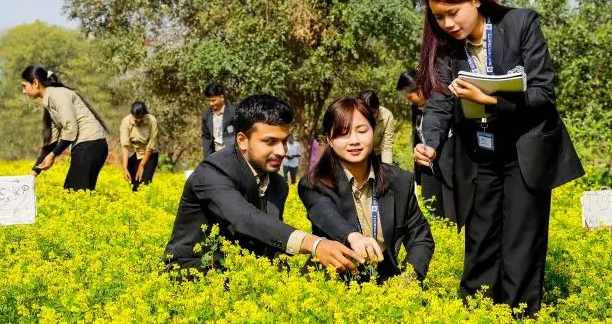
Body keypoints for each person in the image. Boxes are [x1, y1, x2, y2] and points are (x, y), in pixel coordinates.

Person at [414, 0, 584, 315]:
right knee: (480, 242)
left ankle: (520, 323)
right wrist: (429, 141)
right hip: (479, 155)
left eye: (452, 12)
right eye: (438, 17)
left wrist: (490, 100)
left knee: (521, 245)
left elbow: (542, 95)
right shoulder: (448, 49)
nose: (447, 24)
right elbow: (440, 103)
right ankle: (478, 320)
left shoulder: (520, 24)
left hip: (523, 151)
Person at [164, 94, 365, 275]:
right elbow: (244, 217)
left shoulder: (278, 185)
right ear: (242, 140)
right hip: (192, 271)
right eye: (270, 142)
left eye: (284, 141)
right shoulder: (211, 172)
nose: (281, 151)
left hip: (243, 273)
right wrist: (313, 244)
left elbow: (267, 243)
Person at [298, 97, 434, 282]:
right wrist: (353, 237)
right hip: (333, 284)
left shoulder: (400, 181)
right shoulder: (314, 184)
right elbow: (325, 214)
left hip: (385, 283)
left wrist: (408, 280)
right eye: (343, 134)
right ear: (329, 140)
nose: (354, 141)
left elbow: (420, 238)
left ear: (373, 131)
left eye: (362, 131)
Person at [22, 66, 109, 191]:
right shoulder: (49, 102)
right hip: (85, 147)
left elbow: (70, 129)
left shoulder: (58, 94)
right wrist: (34, 173)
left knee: (75, 193)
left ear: (35, 83)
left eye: (24, 86)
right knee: (74, 192)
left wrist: (53, 155)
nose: (24, 91)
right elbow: (52, 141)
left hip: (91, 145)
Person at [397, 69, 456, 222]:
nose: (411, 102)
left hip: (445, 165)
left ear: (421, 88)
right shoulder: (416, 109)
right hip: (426, 166)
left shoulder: (442, 104)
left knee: (449, 212)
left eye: (411, 97)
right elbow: (416, 136)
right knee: (432, 211)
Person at [120, 101, 159, 192]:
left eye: (141, 117)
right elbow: (125, 147)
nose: (138, 120)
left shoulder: (152, 120)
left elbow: (151, 146)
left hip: (149, 155)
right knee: (134, 186)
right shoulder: (126, 122)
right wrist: (125, 168)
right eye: (135, 118)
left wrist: (142, 165)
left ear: (145, 114)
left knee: (144, 185)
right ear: (132, 114)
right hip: (135, 154)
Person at [201, 82, 236, 159]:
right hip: (215, 155)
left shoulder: (233, 112)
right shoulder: (206, 115)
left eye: (213, 100)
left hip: (232, 155)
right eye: (209, 101)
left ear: (222, 97)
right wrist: (208, 157)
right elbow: (206, 137)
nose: (211, 103)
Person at [360, 90, 395, 164]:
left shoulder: (387, 116)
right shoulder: (353, 115)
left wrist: (387, 168)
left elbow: (386, 146)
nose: (370, 117)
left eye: (373, 113)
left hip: (377, 156)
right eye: (366, 114)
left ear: (378, 109)